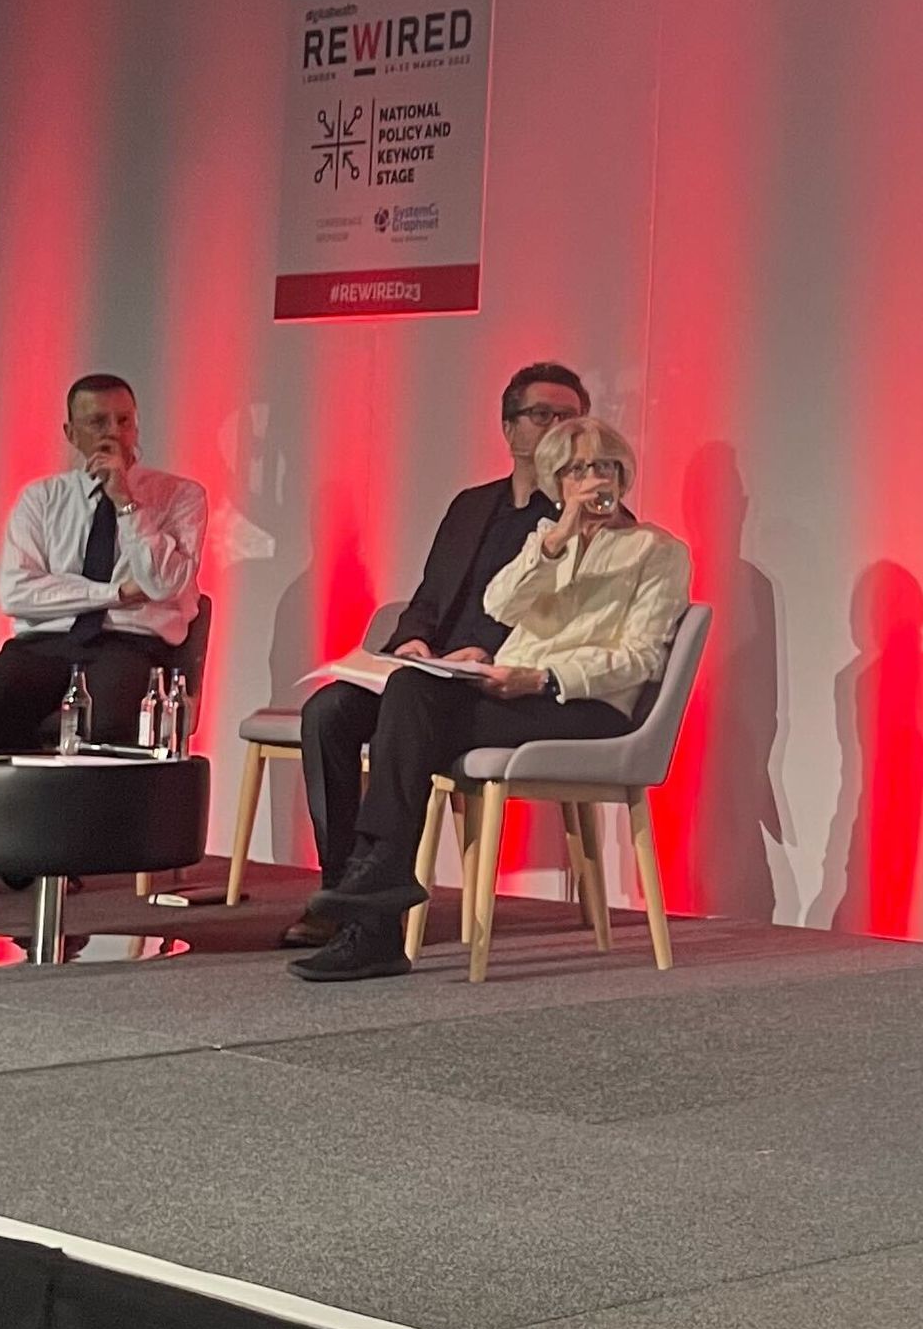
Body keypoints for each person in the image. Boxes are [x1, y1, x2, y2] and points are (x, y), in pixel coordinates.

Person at [291, 412, 691, 983]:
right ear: (557, 482)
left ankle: (374, 889)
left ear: (624, 475)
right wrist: (555, 541)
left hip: (583, 707)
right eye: (576, 470)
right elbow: (500, 605)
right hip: (515, 690)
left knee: (411, 712)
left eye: (603, 466)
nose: (592, 480)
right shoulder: (548, 541)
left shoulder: (657, 551)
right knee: (406, 687)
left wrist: (542, 677)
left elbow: (641, 658)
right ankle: (377, 897)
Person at [276, 359, 587, 946]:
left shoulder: (585, 520)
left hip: (500, 685)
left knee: (410, 699)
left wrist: (489, 654)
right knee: (328, 712)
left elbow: (573, 626)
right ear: (509, 428)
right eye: (542, 414)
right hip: (430, 672)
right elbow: (429, 598)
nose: (556, 427)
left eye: (570, 417)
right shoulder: (473, 505)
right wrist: (411, 641)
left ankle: (372, 901)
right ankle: (341, 884)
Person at [0, 375, 207, 753]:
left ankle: (86, 808)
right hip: (46, 642)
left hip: (130, 642)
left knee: (104, 722)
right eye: (98, 422)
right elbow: (17, 593)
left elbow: (162, 584)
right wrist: (116, 593)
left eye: (124, 421)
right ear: (71, 433)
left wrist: (125, 502)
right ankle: (35, 801)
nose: (114, 433)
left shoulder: (181, 496)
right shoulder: (41, 499)